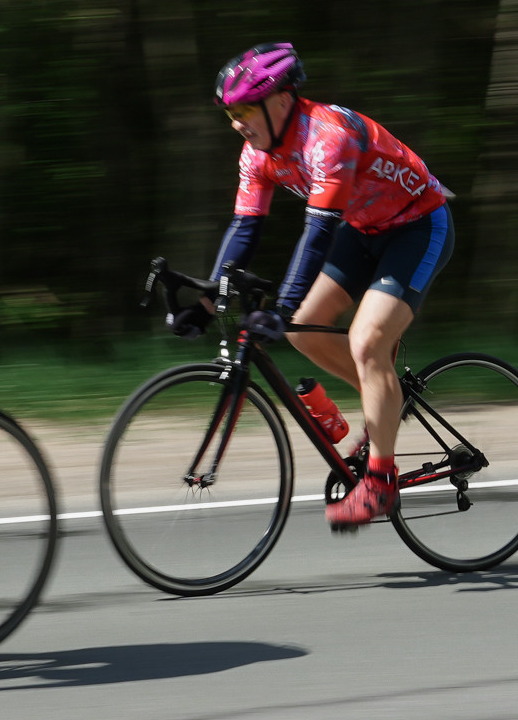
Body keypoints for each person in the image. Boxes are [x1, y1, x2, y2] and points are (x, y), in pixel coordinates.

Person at [194, 44, 455, 530]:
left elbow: (317, 233)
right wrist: (208, 298)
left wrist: (281, 304)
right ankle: (386, 402)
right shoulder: (257, 152)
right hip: (364, 229)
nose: (236, 123)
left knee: (367, 342)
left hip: (418, 225)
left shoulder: (327, 136)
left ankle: (379, 482)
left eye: (244, 110)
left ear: (280, 101)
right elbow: (244, 229)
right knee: (300, 329)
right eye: (231, 113)